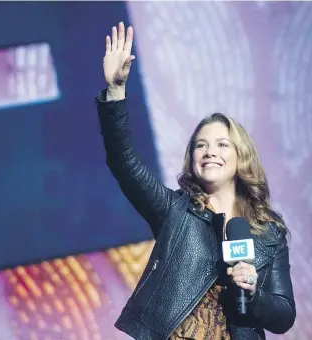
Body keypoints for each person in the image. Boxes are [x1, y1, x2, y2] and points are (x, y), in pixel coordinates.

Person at [95, 22, 296, 340]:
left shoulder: (268, 231)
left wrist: (254, 294)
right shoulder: (174, 210)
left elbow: (284, 316)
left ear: (240, 157)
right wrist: (116, 91)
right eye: (200, 145)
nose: (209, 152)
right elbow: (125, 164)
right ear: (191, 157)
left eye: (221, 144)